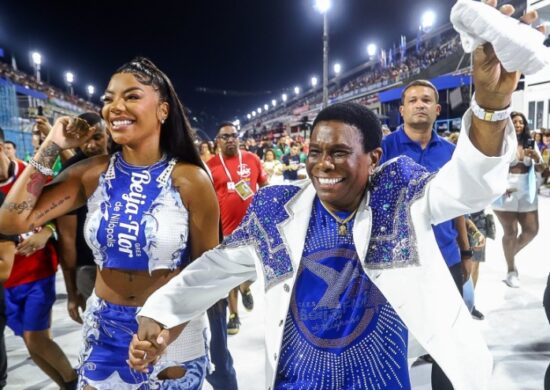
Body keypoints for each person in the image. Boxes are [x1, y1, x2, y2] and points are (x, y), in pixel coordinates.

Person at [129, 3, 528, 384]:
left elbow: (470, 183)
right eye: (315, 152)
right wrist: (159, 311)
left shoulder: (398, 194)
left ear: (373, 157)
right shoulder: (275, 211)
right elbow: (213, 270)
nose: (324, 164)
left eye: (339, 152)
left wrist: (492, 105)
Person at [0, 57, 219, 389]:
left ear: (163, 110)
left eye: (131, 96)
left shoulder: (191, 180)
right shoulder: (91, 173)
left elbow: (209, 274)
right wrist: (52, 144)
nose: (115, 106)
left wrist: (164, 332)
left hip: (170, 329)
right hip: (104, 327)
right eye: (108, 99)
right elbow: (13, 220)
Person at [0, 127, 77, 389]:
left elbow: (62, 206)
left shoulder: (30, 174)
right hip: (6, 282)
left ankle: (74, 382)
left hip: (37, 273)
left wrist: (48, 230)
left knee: (37, 339)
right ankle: (67, 384)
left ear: (2, 147)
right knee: (30, 343)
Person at [207, 122, 268, 335]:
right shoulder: (211, 165)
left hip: (254, 227)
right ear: (218, 141)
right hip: (227, 230)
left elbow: (265, 187)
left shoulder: (252, 159)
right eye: (225, 137)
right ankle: (234, 314)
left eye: (234, 135)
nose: (230, 139)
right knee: (230, 273)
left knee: (254, 268)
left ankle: (246, 286)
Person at [56, 113, 109, 324]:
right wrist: (71, 292)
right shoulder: (71, 172)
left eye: (97, 137)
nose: (91, 145)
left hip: (128, 264)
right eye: (84, 139)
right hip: (89, 268)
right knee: (101, 333)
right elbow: (66, 237)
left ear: (108, 134)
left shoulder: (125, 160)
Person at [492, 111, 546, 288]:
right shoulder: (501, 142)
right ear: (509, 124)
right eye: (514, 122)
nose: (518, 125)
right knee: (510, 232)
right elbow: (491, 166)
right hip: (506, 189)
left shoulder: (530, 143)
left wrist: (536, 158)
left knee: (532, 229)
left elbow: (541, 169)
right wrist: (498, 186)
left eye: (521, 122)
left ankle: (510, 253)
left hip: (527, 189)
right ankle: (511, 270)